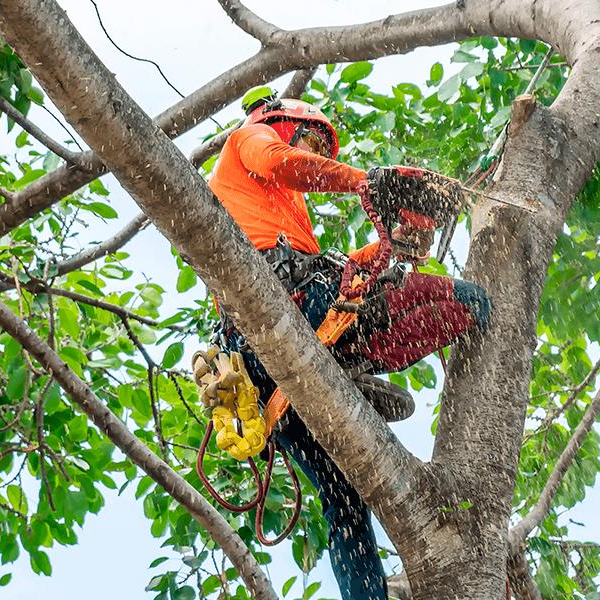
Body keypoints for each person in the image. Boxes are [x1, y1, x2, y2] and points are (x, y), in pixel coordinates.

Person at [203, 95, 492, 600]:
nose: (316, 153)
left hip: (288, 348)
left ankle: (348, 367)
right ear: (281, 121)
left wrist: (392, 243)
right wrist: (366, 180)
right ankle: (349, 366)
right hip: (283, 316)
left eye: (322, 148)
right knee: (470, 301)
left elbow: (339, 272)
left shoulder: (285, 217)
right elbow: (281, 163)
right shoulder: (248, 141)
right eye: (312, 140)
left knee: (346, 502)